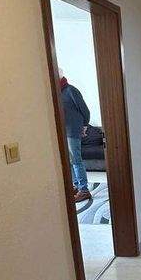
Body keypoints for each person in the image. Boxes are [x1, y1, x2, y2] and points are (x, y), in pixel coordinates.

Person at [59, 68, 91, 202]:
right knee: (68, 160)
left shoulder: (70, 90)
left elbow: (85, 110)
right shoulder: (56, 92)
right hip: (62, 131)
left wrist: (84, 125)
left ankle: (84, 190)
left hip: (72, 130)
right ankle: (75, 186)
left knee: (76, 160)